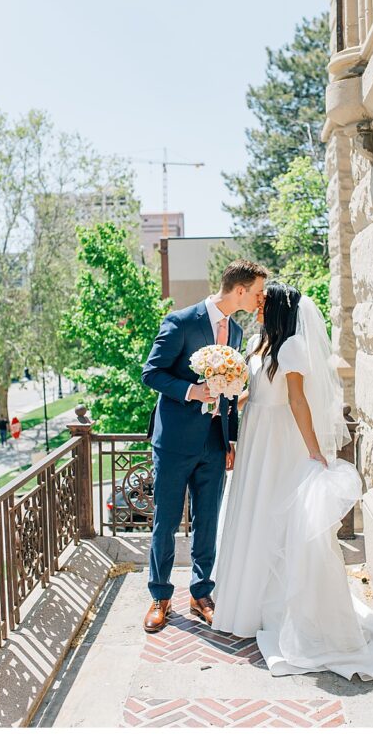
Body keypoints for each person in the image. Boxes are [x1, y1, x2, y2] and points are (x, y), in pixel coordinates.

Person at [211, 283, 373, 683]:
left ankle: (286, 610)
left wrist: (314, 450)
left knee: (279, 519)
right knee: (251, 511)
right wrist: (229, 391)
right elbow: (256, 392)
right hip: (255, 438)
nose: (257, 307)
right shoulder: (259, 344)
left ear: (281, 310)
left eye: (264, 303)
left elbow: (298, 401)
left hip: (279, 443)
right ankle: (244, 604)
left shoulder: (292, 349)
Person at [140, 259, 268, 633]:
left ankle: (201, 592)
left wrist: (229, 436)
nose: (260, 298)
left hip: (213, 443)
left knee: (208, 521)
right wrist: (190, 390)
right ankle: (160, 596)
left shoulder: (239, 333)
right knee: (165, 522)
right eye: (257, 291)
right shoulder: (181, 321)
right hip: (175, 441)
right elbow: (151, 372)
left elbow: (230, 392)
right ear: (240, 290)